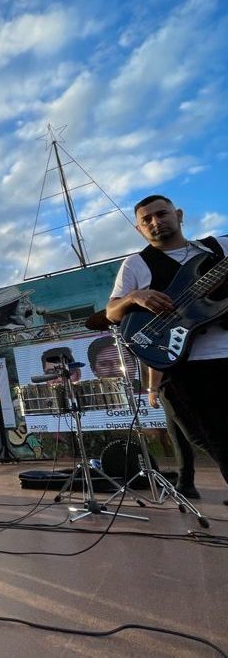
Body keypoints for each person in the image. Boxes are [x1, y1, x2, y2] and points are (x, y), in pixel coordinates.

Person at [106, 194, 228, 501]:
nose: (155, 222)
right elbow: (111, 312)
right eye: (146, 220)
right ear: (138, 229)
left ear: (179, 214)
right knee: (215, 438)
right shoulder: (135, 264)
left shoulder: (218, 247)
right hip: (186, 363)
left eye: (161, 214)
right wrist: (135, 297)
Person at [148, 368, 199, 498]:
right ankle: (185, 484)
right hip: (167, 387)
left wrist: (152, 389)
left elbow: (155, 361)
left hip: (171, 386)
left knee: (198, 438)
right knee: (177, 437)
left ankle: (186, 484)